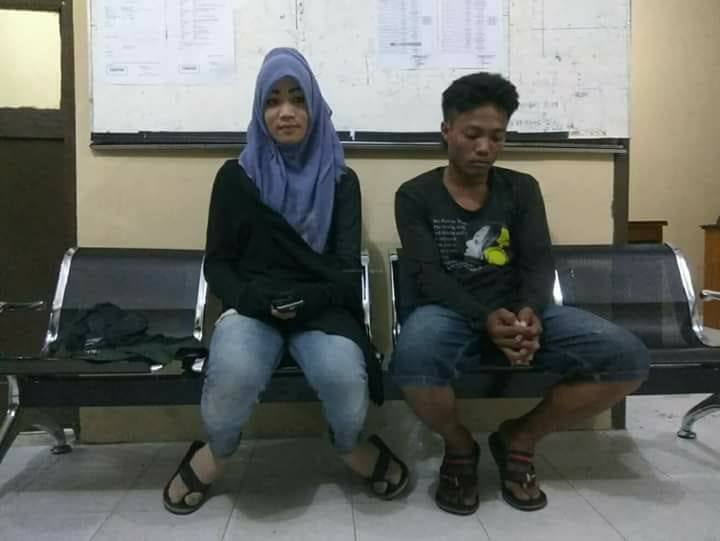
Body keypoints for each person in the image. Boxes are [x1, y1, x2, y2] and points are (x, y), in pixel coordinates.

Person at [163, 48, 408, 515]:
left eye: (297, 99)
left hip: (323, 309)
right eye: (273, 101)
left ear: (314, 106)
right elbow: (219, 264)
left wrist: (307, 299)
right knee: (233, 378)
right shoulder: (236, 178)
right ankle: (216, 451)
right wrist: (253, 298)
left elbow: (345, 270)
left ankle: (349, 444)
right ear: (260, 111)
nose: (286, 112)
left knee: (344, 382)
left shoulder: (341, 181)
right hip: (253, 305)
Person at [390, 72, 649, 514]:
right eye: (472, 134)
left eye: (497, 137)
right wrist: (487, 320)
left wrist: (530, 313)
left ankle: (519, 439)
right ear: (447, 131)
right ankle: (459, 447)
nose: (485, 147)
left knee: (629, 358)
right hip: (448, 312)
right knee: (411, 360)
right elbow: (428, 275)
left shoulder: (521, 188)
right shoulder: (415, 195)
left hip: (519, 311)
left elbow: (537, 262)